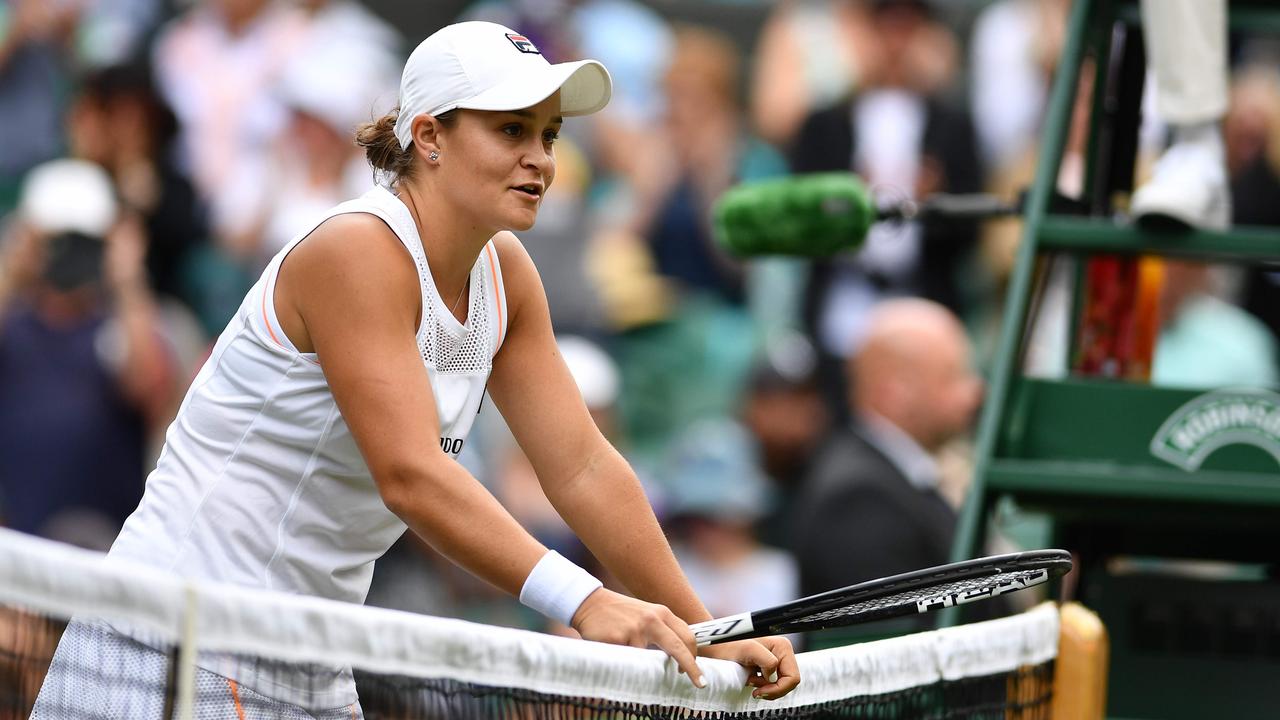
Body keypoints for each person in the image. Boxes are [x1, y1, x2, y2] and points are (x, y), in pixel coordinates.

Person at [31, 21, 798, 718]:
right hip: (177, 639)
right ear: (429, 137)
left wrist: (705, 628)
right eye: (511, 130)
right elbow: (411, 474)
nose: (541, 158)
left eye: (549, 134)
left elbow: (585, 468)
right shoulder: (356, 252)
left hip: (307, 653)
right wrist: (586, 597)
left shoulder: (508, 275)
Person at [0, 159, 177, 550]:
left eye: (84, 241)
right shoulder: (13, 321)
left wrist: (128, 278)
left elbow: (148, 387)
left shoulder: (124, 322)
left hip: (104, 555)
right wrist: (13, 265)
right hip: (16, 560)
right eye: (56, 240)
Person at [789, 299, 982, 613]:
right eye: (953, 375)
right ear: (896, 391)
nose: (975, 392)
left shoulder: (894, 477)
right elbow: (893, 635)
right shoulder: (858, 499)